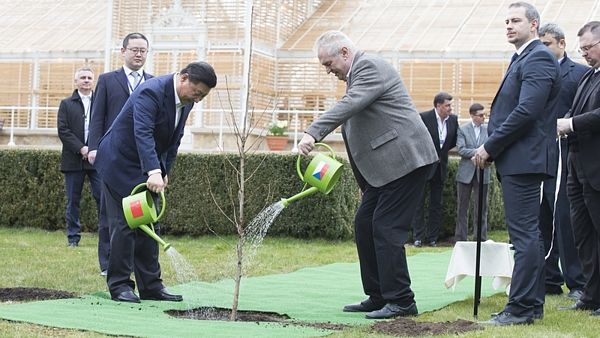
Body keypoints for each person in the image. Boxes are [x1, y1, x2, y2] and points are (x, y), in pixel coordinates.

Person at [297, 31, 438, 319]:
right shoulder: (356, 76)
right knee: (364, 224)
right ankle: (378, 296)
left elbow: (349, 106)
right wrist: (365, 183)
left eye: (329, 63)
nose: (328, 70)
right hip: (386, 171)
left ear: (345, 52)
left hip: (406, 162)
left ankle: (401, 301)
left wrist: (313, 131)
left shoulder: (370, 67)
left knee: (386, 228)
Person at [94, 61, 217, 303]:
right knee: (124, 224)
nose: (199, 99)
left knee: (150, 226)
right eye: (197, 92)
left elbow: (175, 138)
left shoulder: (186, 101)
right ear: (183, 78)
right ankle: (119, 286)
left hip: (145, 164)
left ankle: (151, 286)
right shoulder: (151, 91)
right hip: (120, 162)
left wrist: (163, 170)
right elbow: (143, 132)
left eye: (203, 95)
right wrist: (152, 171)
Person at [473, 1, 560, 325]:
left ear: (534, 24)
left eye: (516, 20)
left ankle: (521, 308)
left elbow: (526, 111)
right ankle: (531, 305)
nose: (509, 25)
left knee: (524, 237)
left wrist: (489, 146)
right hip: (521, 158)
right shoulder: (521, 58)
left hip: (525, 159)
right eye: (506, 20)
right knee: (530, 236)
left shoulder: (537, 57)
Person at [87, 32, 153, 276]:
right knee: (109, 212)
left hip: (140, 158)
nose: (138, 54)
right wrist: (94, 147)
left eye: (143, 50)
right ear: (123, 51)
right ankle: (107, 262)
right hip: (111, 155)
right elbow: (97, 117)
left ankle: (137, 262)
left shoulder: (152, 82)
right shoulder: (107, 80)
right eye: (134, 49)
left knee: (139, 212)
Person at [538, 23, 587, 300]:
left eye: (546, 44)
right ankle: (548, 278)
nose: (542, 49)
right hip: (538, 156)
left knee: (565, 219)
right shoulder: (533, 71)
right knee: (541, 217)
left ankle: (577, 282)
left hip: (566, 155)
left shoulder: (580, 74)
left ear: (562, 44)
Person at [557, 20, 600, 316]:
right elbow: (576, 108)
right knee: (582, 234)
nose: (583, 53)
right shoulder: (588, 76)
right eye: (582, 48)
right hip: (577, 166)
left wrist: (571, 124)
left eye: (588, 47)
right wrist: (567, 120)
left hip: (597, 168)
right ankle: (591, 294)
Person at [57, 67, 102, 248]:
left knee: (102, 197)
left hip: (97, 160)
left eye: (89, 78)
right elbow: (63, 131)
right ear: (76, 82)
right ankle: (73, 238)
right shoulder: (66, 104)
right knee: (73, 201)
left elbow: (105, 127)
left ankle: (105, 235)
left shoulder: (100, 102)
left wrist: (94, 149)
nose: (86, 80)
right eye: (82, 78)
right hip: (73, 160)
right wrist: (82, 148)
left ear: (93, 81)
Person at [412, 92, 458, 247]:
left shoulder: (453, 120)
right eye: (447, 105)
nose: (450, 108)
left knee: (436, 204)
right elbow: (416, 139)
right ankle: (418, 237)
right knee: (418, 203)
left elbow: (452, 142)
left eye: (450, 105)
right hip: (424, 167)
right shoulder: (424, 118)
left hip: (440, 168)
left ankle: (433, 238)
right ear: (438, 106)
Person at [454, 103, 490, 242]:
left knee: (481, 209)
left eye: (485, 115)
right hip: (465, 174)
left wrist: (483, 153)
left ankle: (480, 238)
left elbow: (491, 147)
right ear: (472, 116)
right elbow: (461, 150)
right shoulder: (463, 129)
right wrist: (480, 152)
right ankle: (461, 239)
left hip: (483, 172)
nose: (484, 118)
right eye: (481, 115)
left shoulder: (488, 129)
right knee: (462, 208)